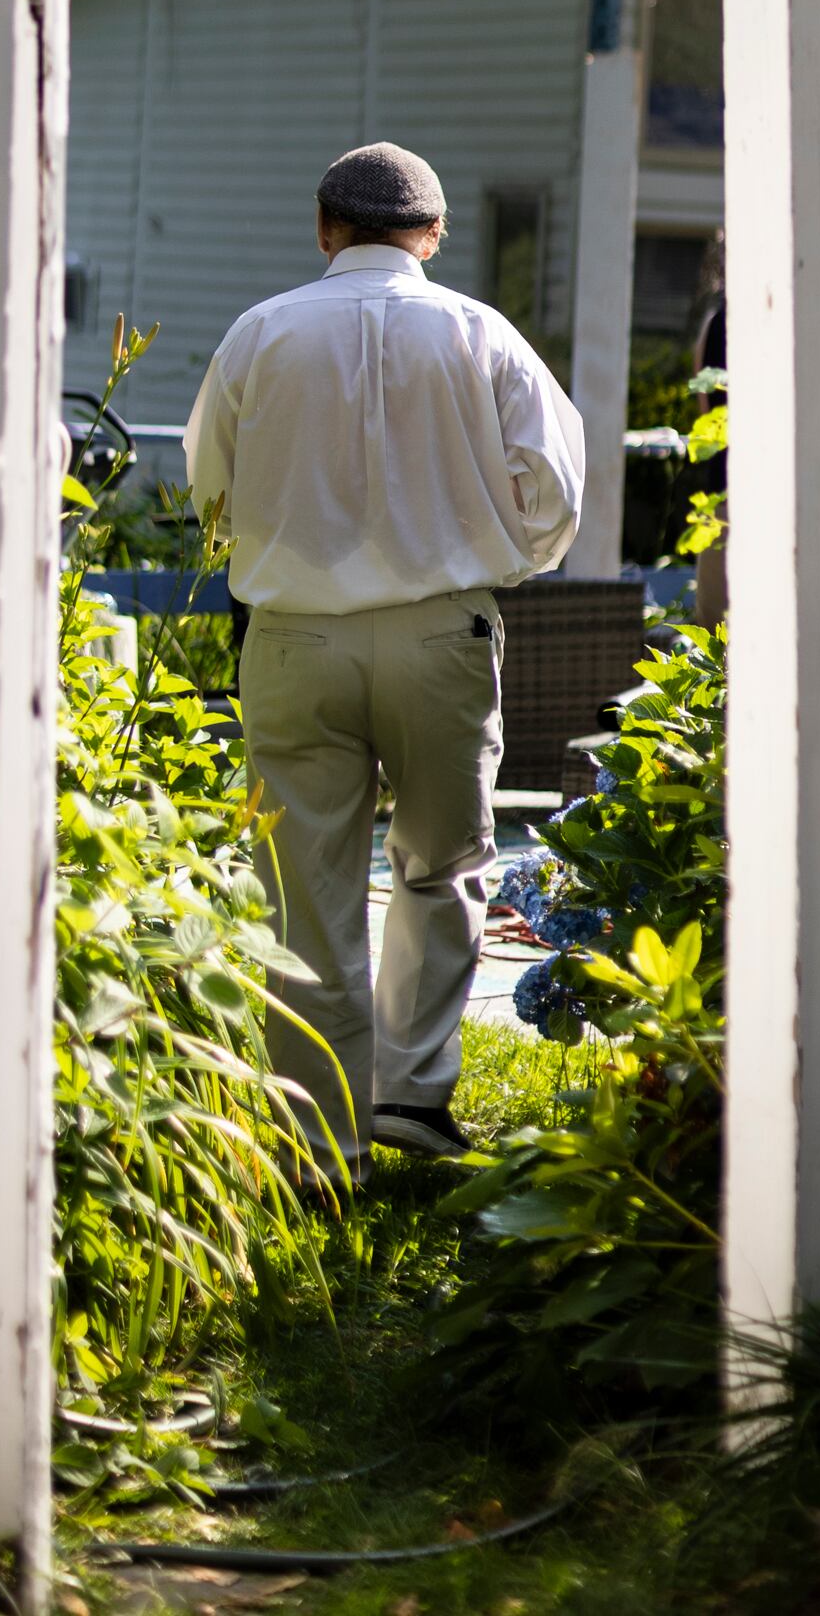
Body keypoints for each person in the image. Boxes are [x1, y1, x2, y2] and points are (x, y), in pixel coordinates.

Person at [184, 141, 585, 1180]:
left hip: (294, 635)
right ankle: (410, 1096)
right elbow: (556, 488)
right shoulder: (479, 333)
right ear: (434, 234)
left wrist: (268, 548)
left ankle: (316, 1140)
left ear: (324, 229)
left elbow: (209, 486)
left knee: (304, 886)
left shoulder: (260, 332)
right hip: (439, 630)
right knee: (441, 867)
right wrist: (501, 560)